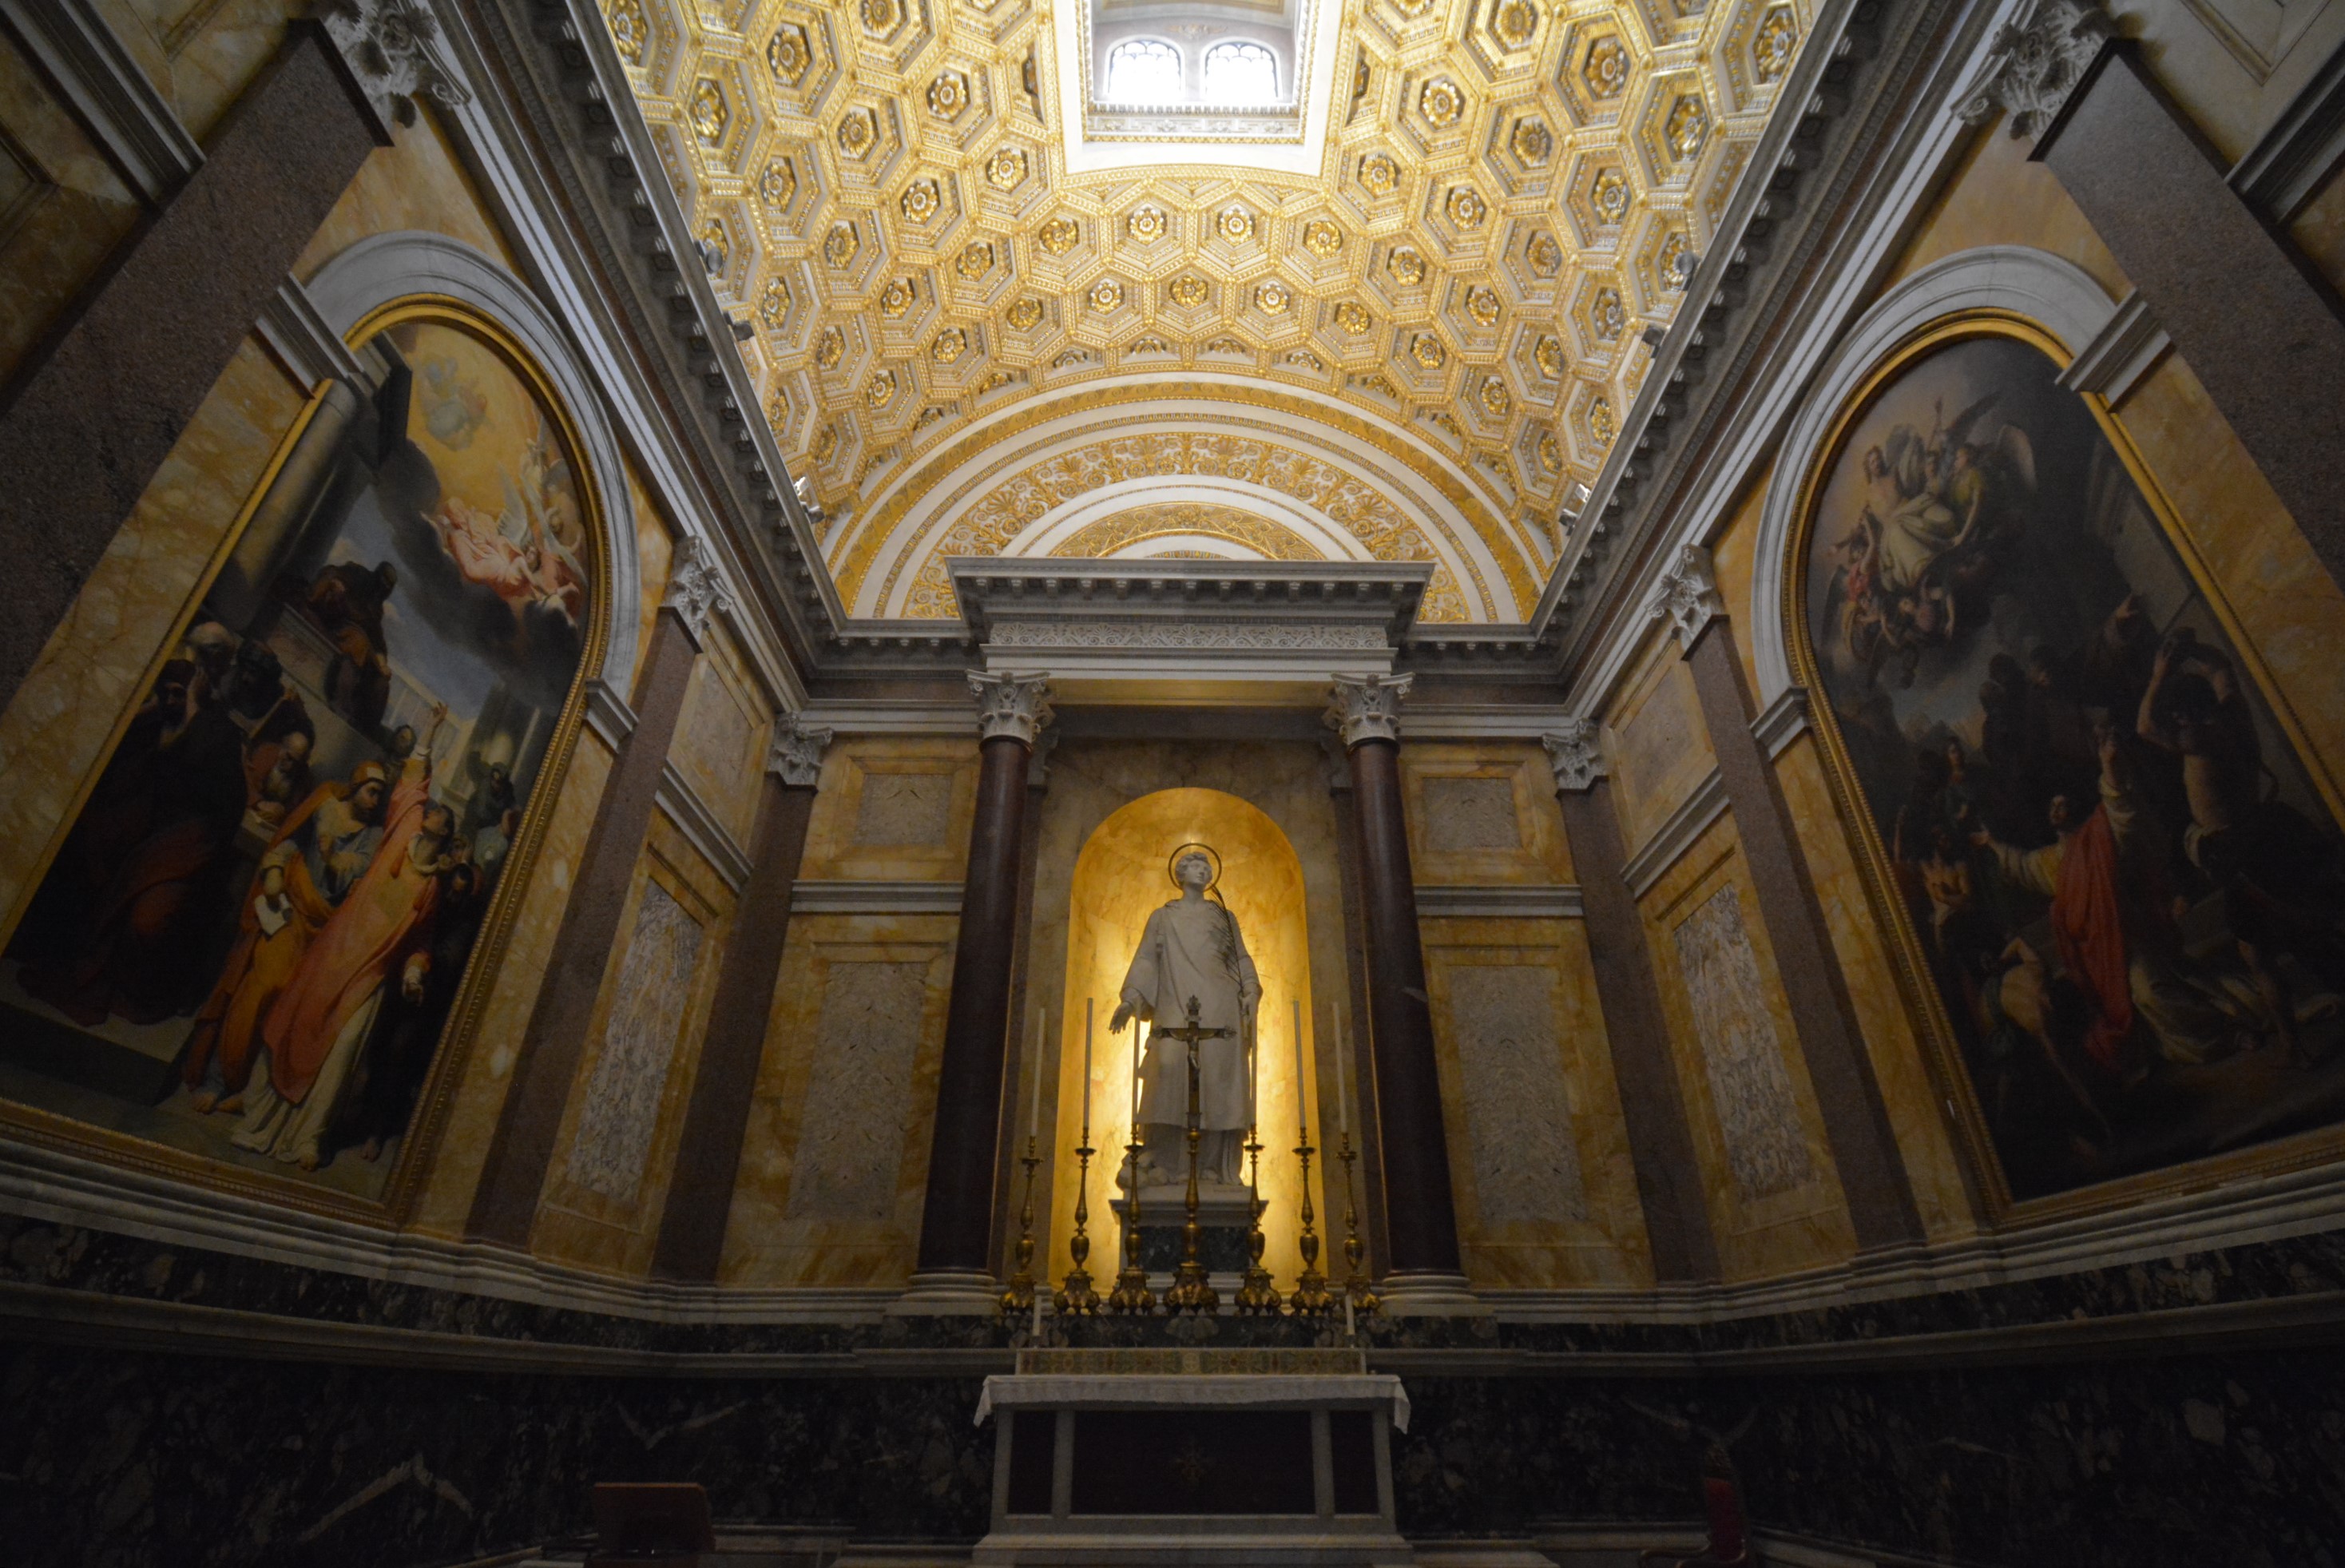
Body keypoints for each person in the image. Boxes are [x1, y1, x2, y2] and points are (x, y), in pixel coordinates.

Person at [233, 705, 458, 1170]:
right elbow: (414, 786)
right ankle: (260, 1118)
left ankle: (307, 1138)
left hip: (367, 976)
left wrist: (414, 973)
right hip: (334, 954)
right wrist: (431, 732)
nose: (437, 817)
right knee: (294, 1024)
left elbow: (422, 940)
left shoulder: (432, 885)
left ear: (449, 836)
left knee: (340, 1055)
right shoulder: (401, 834)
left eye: (446, 820)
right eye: (436, 813)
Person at [181, 763, 391, 1113]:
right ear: (356, 786)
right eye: (371, 790)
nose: (374, 800)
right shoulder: (325, 805)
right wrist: (276, 869)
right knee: (261, 987)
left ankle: (249, 1091)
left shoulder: (372, 836)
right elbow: (290, 840)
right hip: (290, 914)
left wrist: (333, 858)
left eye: (380, 795)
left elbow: (357, 869)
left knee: (291, 1011)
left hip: (324, 932)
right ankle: (221, 1078)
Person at [1110, 848, 1260, 1189]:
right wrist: (1131, 1000)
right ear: (1180, 875)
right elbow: (1147, 960)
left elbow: (1240, 959)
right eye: (1195, 867)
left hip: (1221, 1009)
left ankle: (1211, 1169)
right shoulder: (1163, 917)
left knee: (1217, 1084)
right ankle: (1166, 1165)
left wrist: (1251, 989)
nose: (1203, 873)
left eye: (1206, 868)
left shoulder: (1224, 917)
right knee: (1168, 1073)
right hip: (1175, 1004)